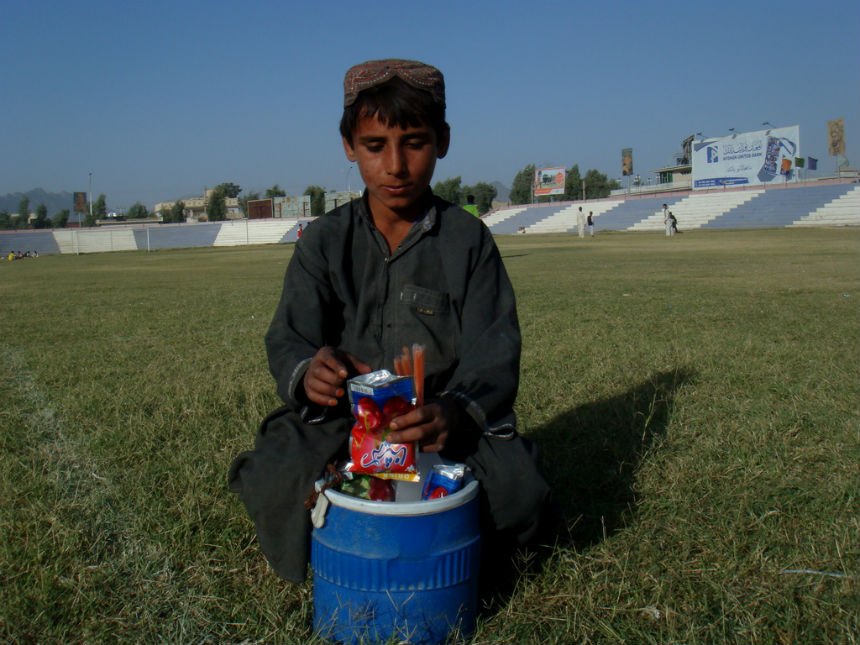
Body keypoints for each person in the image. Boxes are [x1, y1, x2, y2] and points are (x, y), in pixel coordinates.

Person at [228, 58, 554, 584]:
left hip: (441, 425)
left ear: (442, 140)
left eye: (415, 142)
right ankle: (344, 529)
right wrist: (311, 370)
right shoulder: (325, 241)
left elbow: (496, 350)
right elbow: (289, 336)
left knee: (521, 491)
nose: (396, 166)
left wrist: (453, 410)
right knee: (272, 477)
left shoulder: (467, 242)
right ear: (349, 146)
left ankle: (445, 553)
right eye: (375, 146)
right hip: (344, 419)